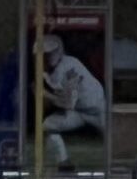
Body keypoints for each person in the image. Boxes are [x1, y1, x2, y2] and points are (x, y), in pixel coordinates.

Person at [37, 32, 107, 168]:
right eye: (46, 54)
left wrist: (45, 94)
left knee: (115, 139)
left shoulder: (70, 64)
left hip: (97, 110)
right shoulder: (56, 71)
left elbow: (68, 103)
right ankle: (64, 163)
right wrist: (47, 82)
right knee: (48, 125)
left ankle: (121, 166)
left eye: (51, 53)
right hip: (79, 112)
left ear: (59, 50)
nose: (48, 56)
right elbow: (61, 92)